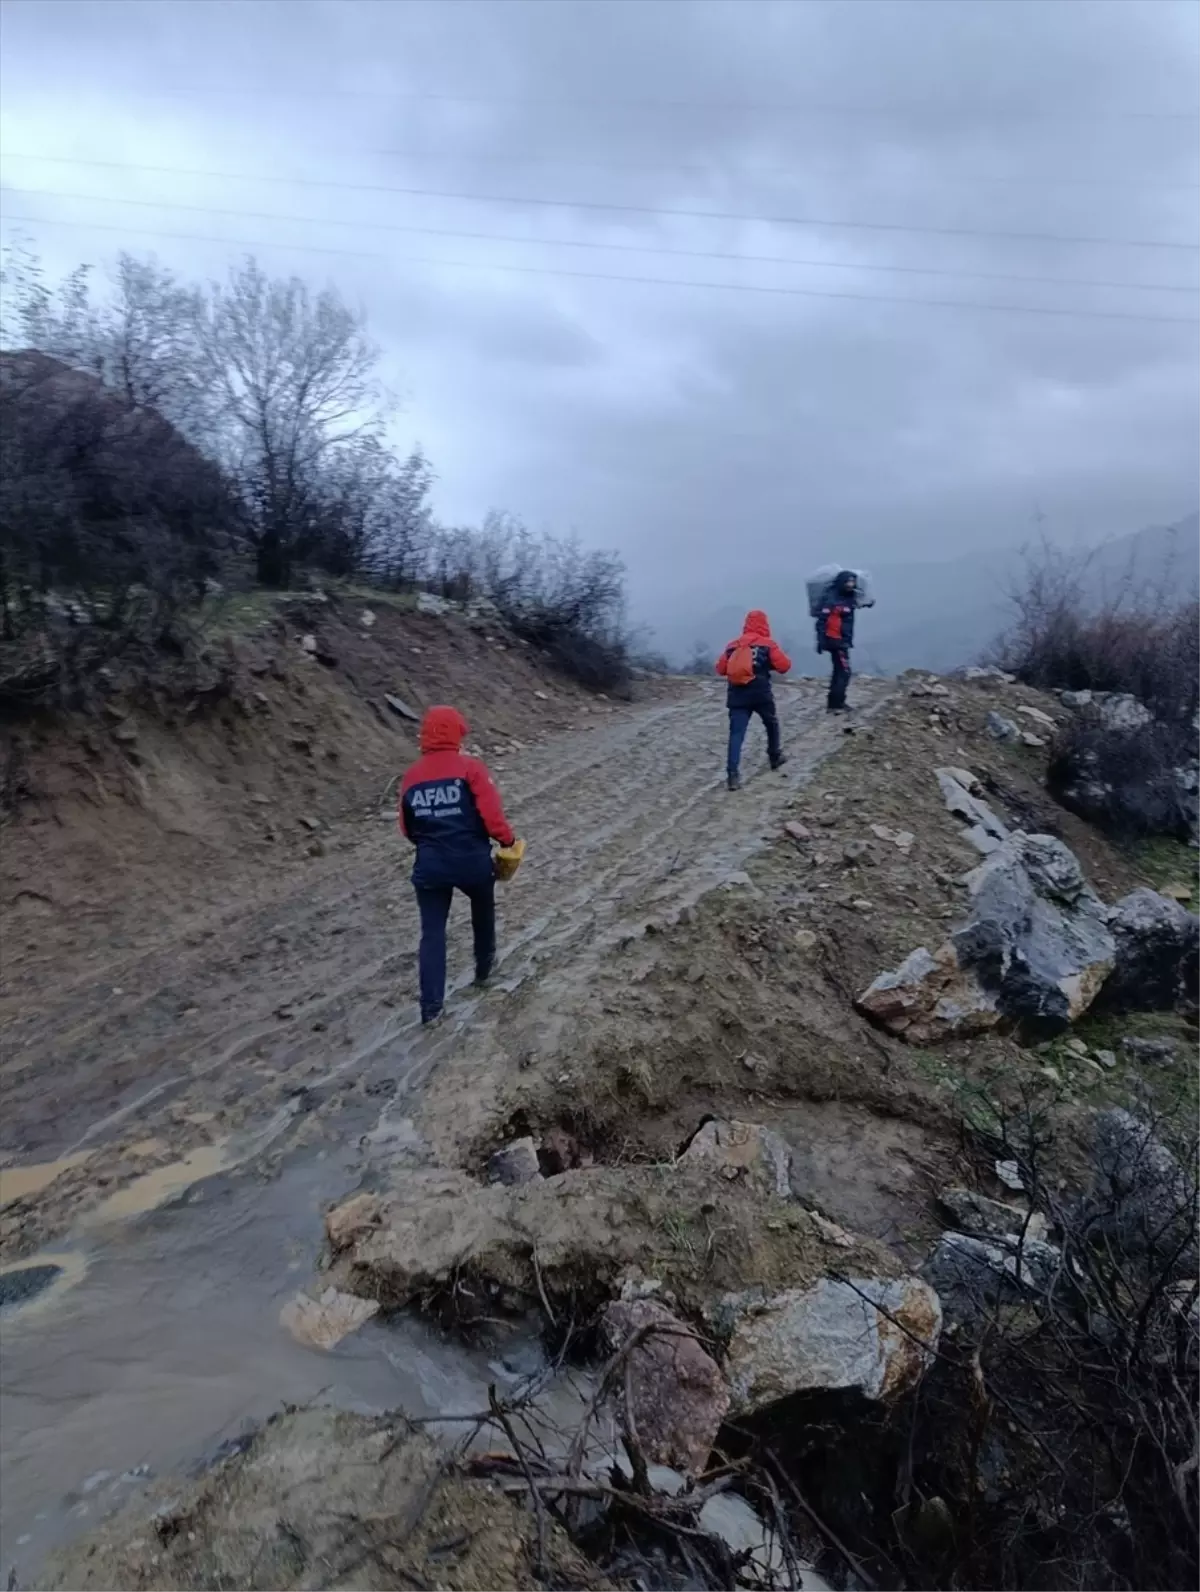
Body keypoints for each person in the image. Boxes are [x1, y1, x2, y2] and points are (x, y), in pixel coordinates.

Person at [398, 705, 517, 1025]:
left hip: (431, 867)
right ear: (456, 734)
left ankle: (431, 1010)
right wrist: (507, 842)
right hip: (472, 863)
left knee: (432, 934)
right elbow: (493, 819)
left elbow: (407, 829)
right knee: (483, 911)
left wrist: (432, 845)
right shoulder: (471, 769)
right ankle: (484, 970)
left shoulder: (411, 777)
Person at [715, 609, 792, 791]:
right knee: (771, 724)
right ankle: (774, 757)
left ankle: (732, 775)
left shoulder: (733, 645)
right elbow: (785, 666)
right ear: (765, 624)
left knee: (736, 734)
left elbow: (720, 669)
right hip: (760, 693)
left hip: (737, 695)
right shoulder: (767, 644)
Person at [816, 570, 859, 713]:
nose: (851, 584)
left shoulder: (846, 597)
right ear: (842, 582)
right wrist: (823, 640)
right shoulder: (833, 600)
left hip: (839, 640)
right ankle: (837, 704)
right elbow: (823, 621)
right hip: (836, 641)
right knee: (844, 672)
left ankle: (834, 703)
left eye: (853, 581)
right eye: (848, 582)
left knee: (838, 671)